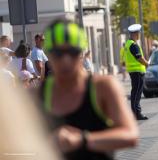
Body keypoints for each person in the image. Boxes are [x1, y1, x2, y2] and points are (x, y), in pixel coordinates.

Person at [40, 19, 138, 160]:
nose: (66, 60)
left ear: (81, 53)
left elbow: (131, 134)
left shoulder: (103, 87)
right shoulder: (36, 94)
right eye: (58, 53)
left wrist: (83, 140)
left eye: (72, 52)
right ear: (48, 54)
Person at [124, 24, 149, 120]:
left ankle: (135, 112)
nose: (139, 35)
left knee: (135, 92)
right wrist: (147, 64)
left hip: (134, 71)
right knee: (137, 93)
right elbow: (139, 58)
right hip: (137, 72)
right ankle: (136, 113)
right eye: (138, 33)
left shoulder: (128, 43)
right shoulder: (133, 45)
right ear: (135, 34)